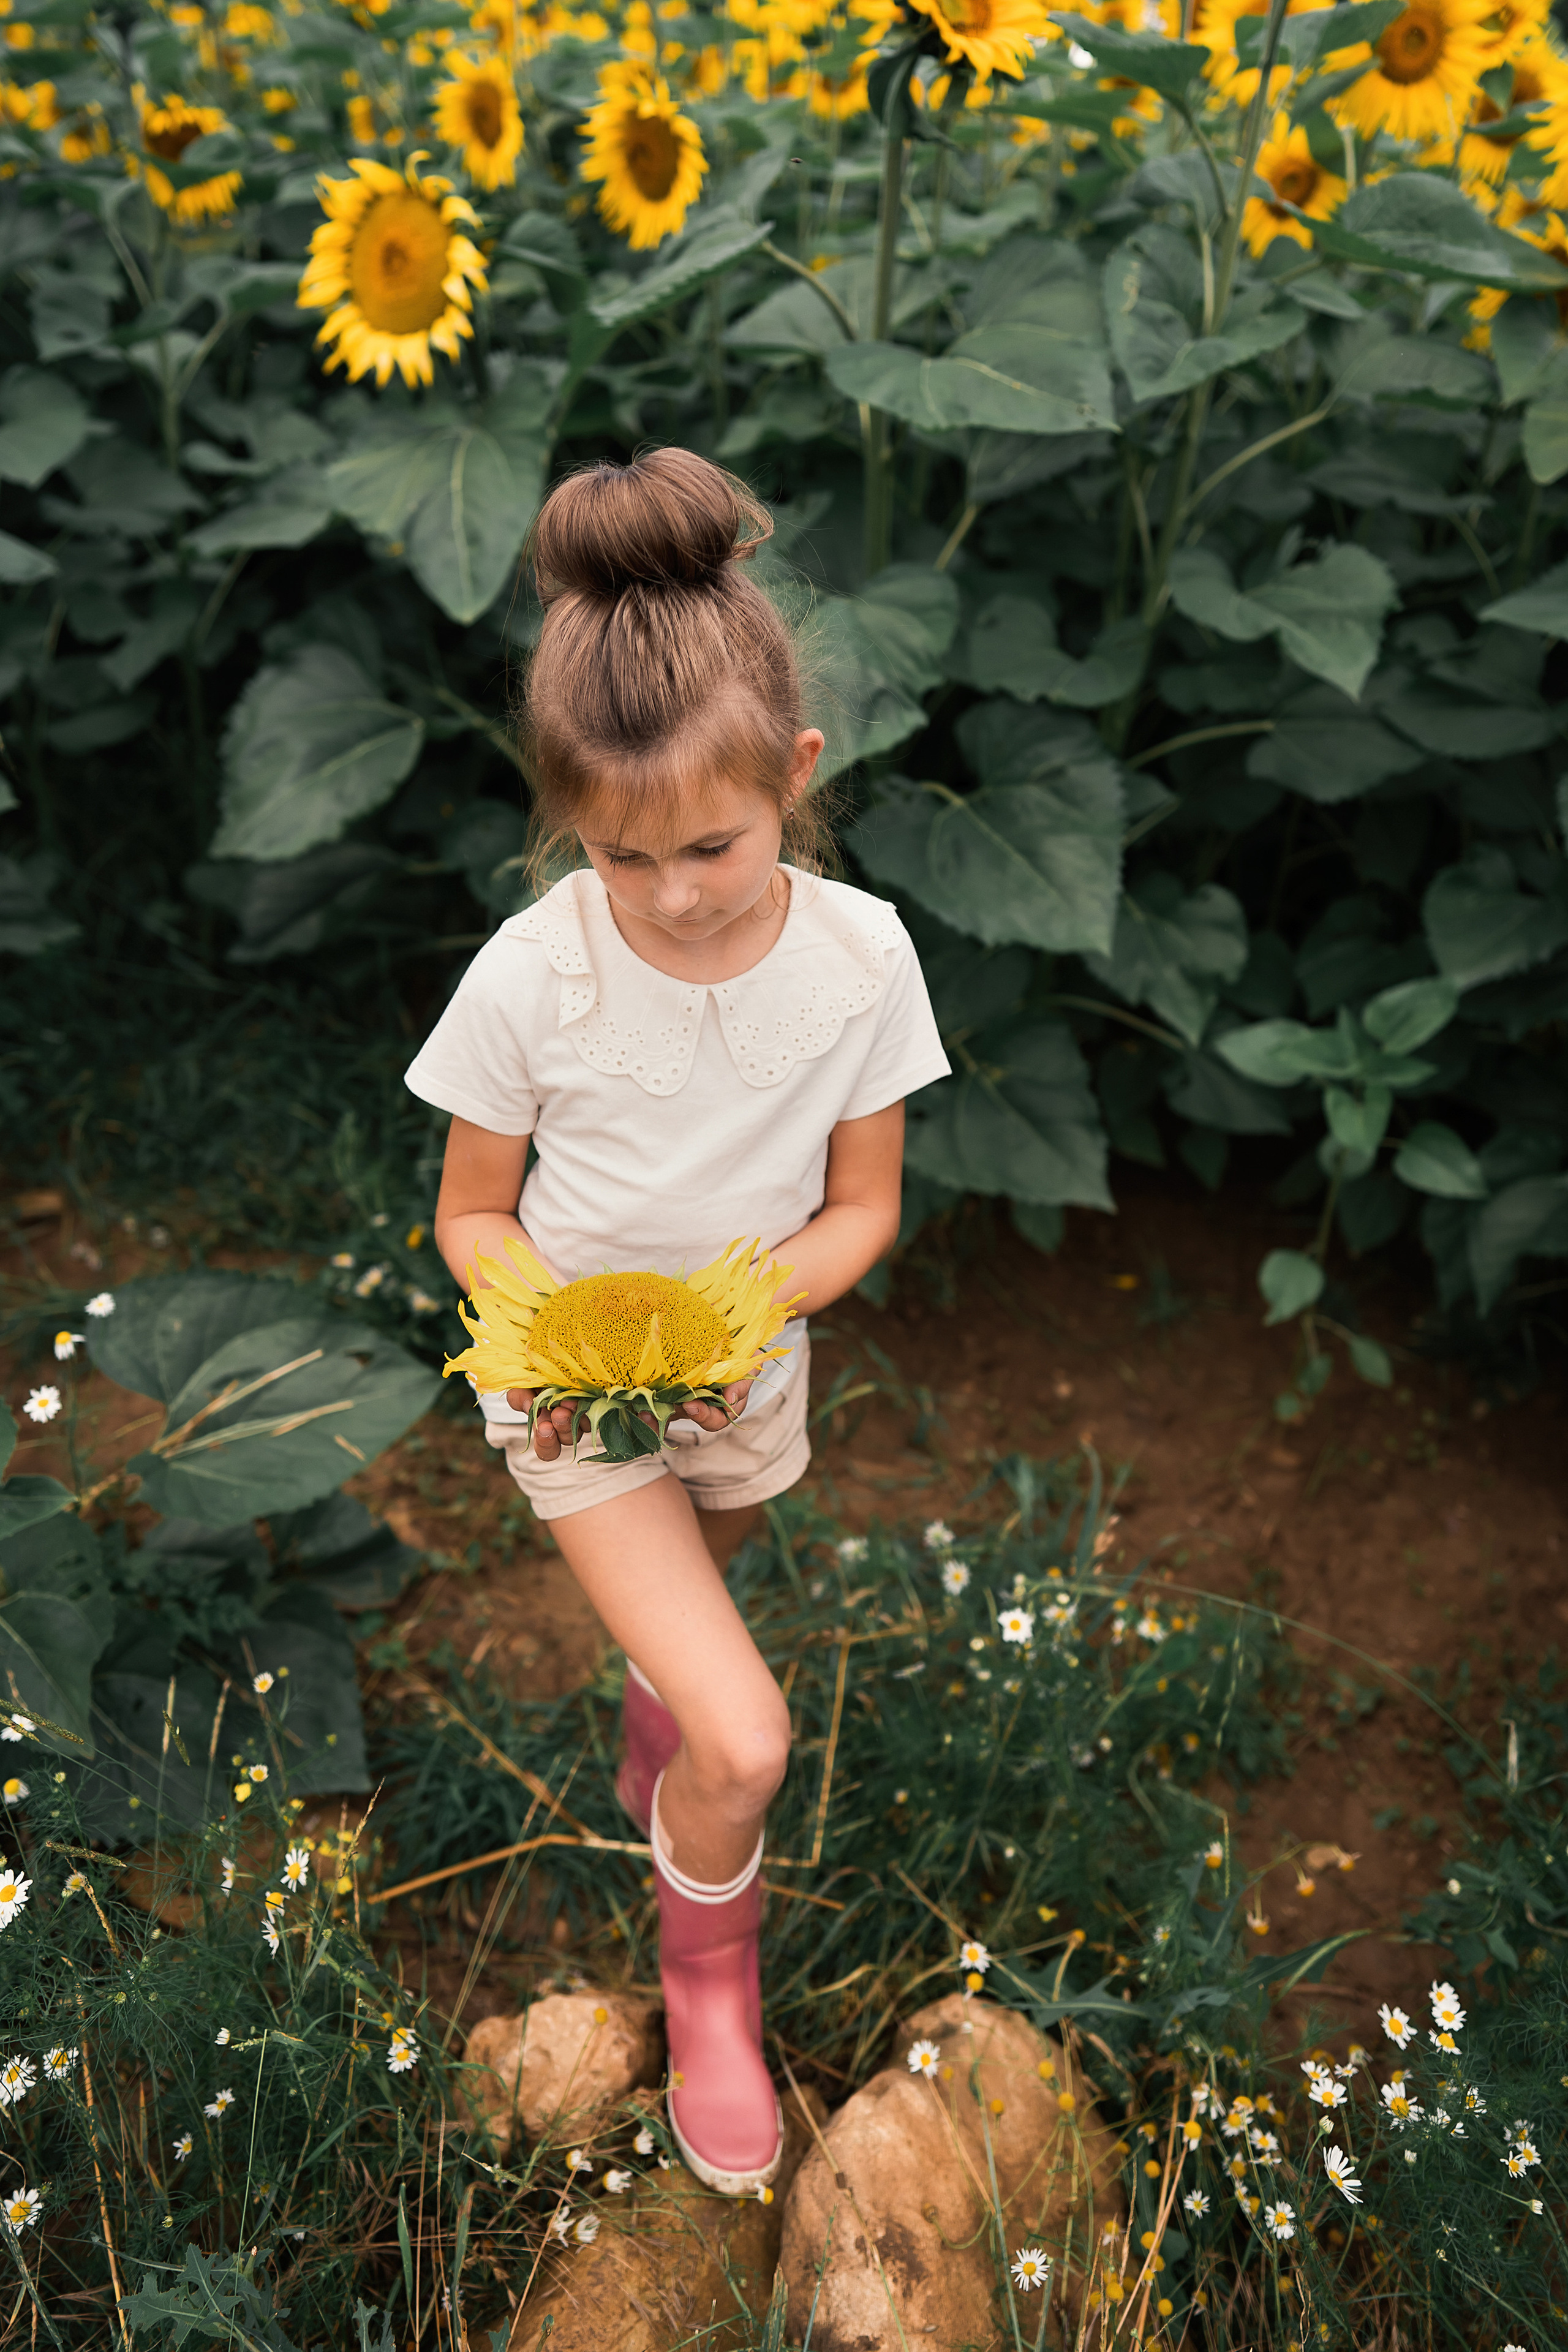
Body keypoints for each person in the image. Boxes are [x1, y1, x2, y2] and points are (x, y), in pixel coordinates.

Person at [406, 447, 949, 2195]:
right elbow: (471, 1210)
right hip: (570, 1392)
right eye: (621, 857)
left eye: (711, 843)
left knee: (696, 1621)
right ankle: (707, 1989)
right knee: (746, 1735)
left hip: (741, 1372)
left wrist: (744, 1309)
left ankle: (666, 1735)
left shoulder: (863, 960)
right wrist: (560, 1326)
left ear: (796, 774)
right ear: (570, 823)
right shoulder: (537, 968)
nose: (679, 892)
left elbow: (862, 1207)